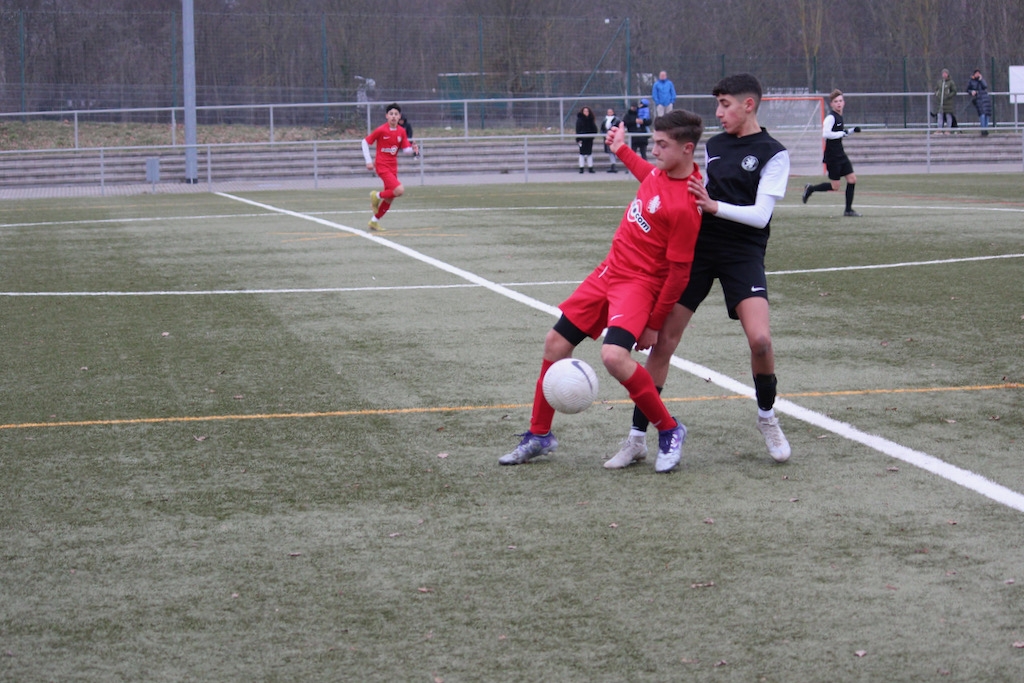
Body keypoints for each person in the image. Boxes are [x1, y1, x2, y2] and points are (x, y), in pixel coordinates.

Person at [498, 109, 706, 473]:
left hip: (638, 284)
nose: (654, 150)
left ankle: (670, 429)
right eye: (654, 142)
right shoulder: (662, 173)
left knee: (613, 357)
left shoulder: (686, 206)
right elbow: (647, 175)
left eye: (662, 144)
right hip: (608, 271)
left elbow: (678, 275)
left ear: (687, 149)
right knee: (555, 344)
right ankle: (539, 435)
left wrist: (654, 323)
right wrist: (621, 148)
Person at [606, 73, 792, 469]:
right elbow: (673, 183)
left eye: (725, 105)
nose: (719, 113)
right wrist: (625, 152)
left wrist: (713, 206)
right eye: (718, 105)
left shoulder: (774, 153)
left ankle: (767, 417)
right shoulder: (715, 146)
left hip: (743, 254)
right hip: (699, 251)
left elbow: (761, 215)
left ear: (748, 105)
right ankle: (637, 437)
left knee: (761, 341)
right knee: (663, 343)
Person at [801, 89, 860, 217]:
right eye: (836, 101)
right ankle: (811, 189)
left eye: (840, 101)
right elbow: (826, 134)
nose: (839, 103)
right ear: (832, 104)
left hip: (841, 154)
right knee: (835, 187)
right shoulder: (830, 117)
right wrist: (842, 133)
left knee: (852, 179)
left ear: (843, 102)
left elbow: (840, 133)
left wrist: (851, 130)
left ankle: (848, 210)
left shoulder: (839, 116)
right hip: (832, 157)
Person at [362, 103, 418, 232]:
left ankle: (374, 222)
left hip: (393, 167)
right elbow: (364, 142)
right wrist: (368, 161)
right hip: (382, 165)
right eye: (391, 114)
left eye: (396, 114)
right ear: (386, 116)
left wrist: (413, 149)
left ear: (399, 117)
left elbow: (406, 150)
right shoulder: (381, 130)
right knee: (399, 190)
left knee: (390, 197)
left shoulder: (401, 131)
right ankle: (376, 195)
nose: (393, 116)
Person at [967, 69, 992, 136]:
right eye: (976, 73)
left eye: (978, 73)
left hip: (985, 98)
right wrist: (971, 92)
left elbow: (985, 86)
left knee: (987, 114)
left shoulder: (982, 80)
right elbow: (968, 89)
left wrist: (981, 80)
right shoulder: (971, 81)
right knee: (982, 114)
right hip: (978, 99)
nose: (977, 74)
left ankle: (986, 129)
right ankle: (983, 129)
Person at [575, 106, 598, 173]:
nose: (586, 112)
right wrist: (579, 139)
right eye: (585, 111)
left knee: (589, 153)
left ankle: (590, 167)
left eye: (587, 111)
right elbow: (578, 130)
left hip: (589, 139)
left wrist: (592, 136)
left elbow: (594, 129)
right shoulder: (579, 120)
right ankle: (581, 168)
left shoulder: (591, 119)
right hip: (582, 139)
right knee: (582, 153)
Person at [934, 69, 957, 133]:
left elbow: (954, 91)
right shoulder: (939, 82)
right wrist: (937, 94)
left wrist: (948, 96)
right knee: (939, 116)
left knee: (948, 116)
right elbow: (936, 89)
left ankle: (948, 130)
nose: (944, 74)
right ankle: (939, 130)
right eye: (943, 73)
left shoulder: (951, 82)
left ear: (947, 74)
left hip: (948, 104)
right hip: (940, 103)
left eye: (945, 73)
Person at [600, 107, 622, 172]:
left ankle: (614, 164)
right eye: (608, 112)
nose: (609, 113)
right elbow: (602, 128)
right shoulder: (605, 119)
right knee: (610, 151)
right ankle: (613, 164)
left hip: (614, 137)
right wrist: (603, 134)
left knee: (614, 151)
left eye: (610, 112)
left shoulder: (616, 120)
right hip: (607, 137)